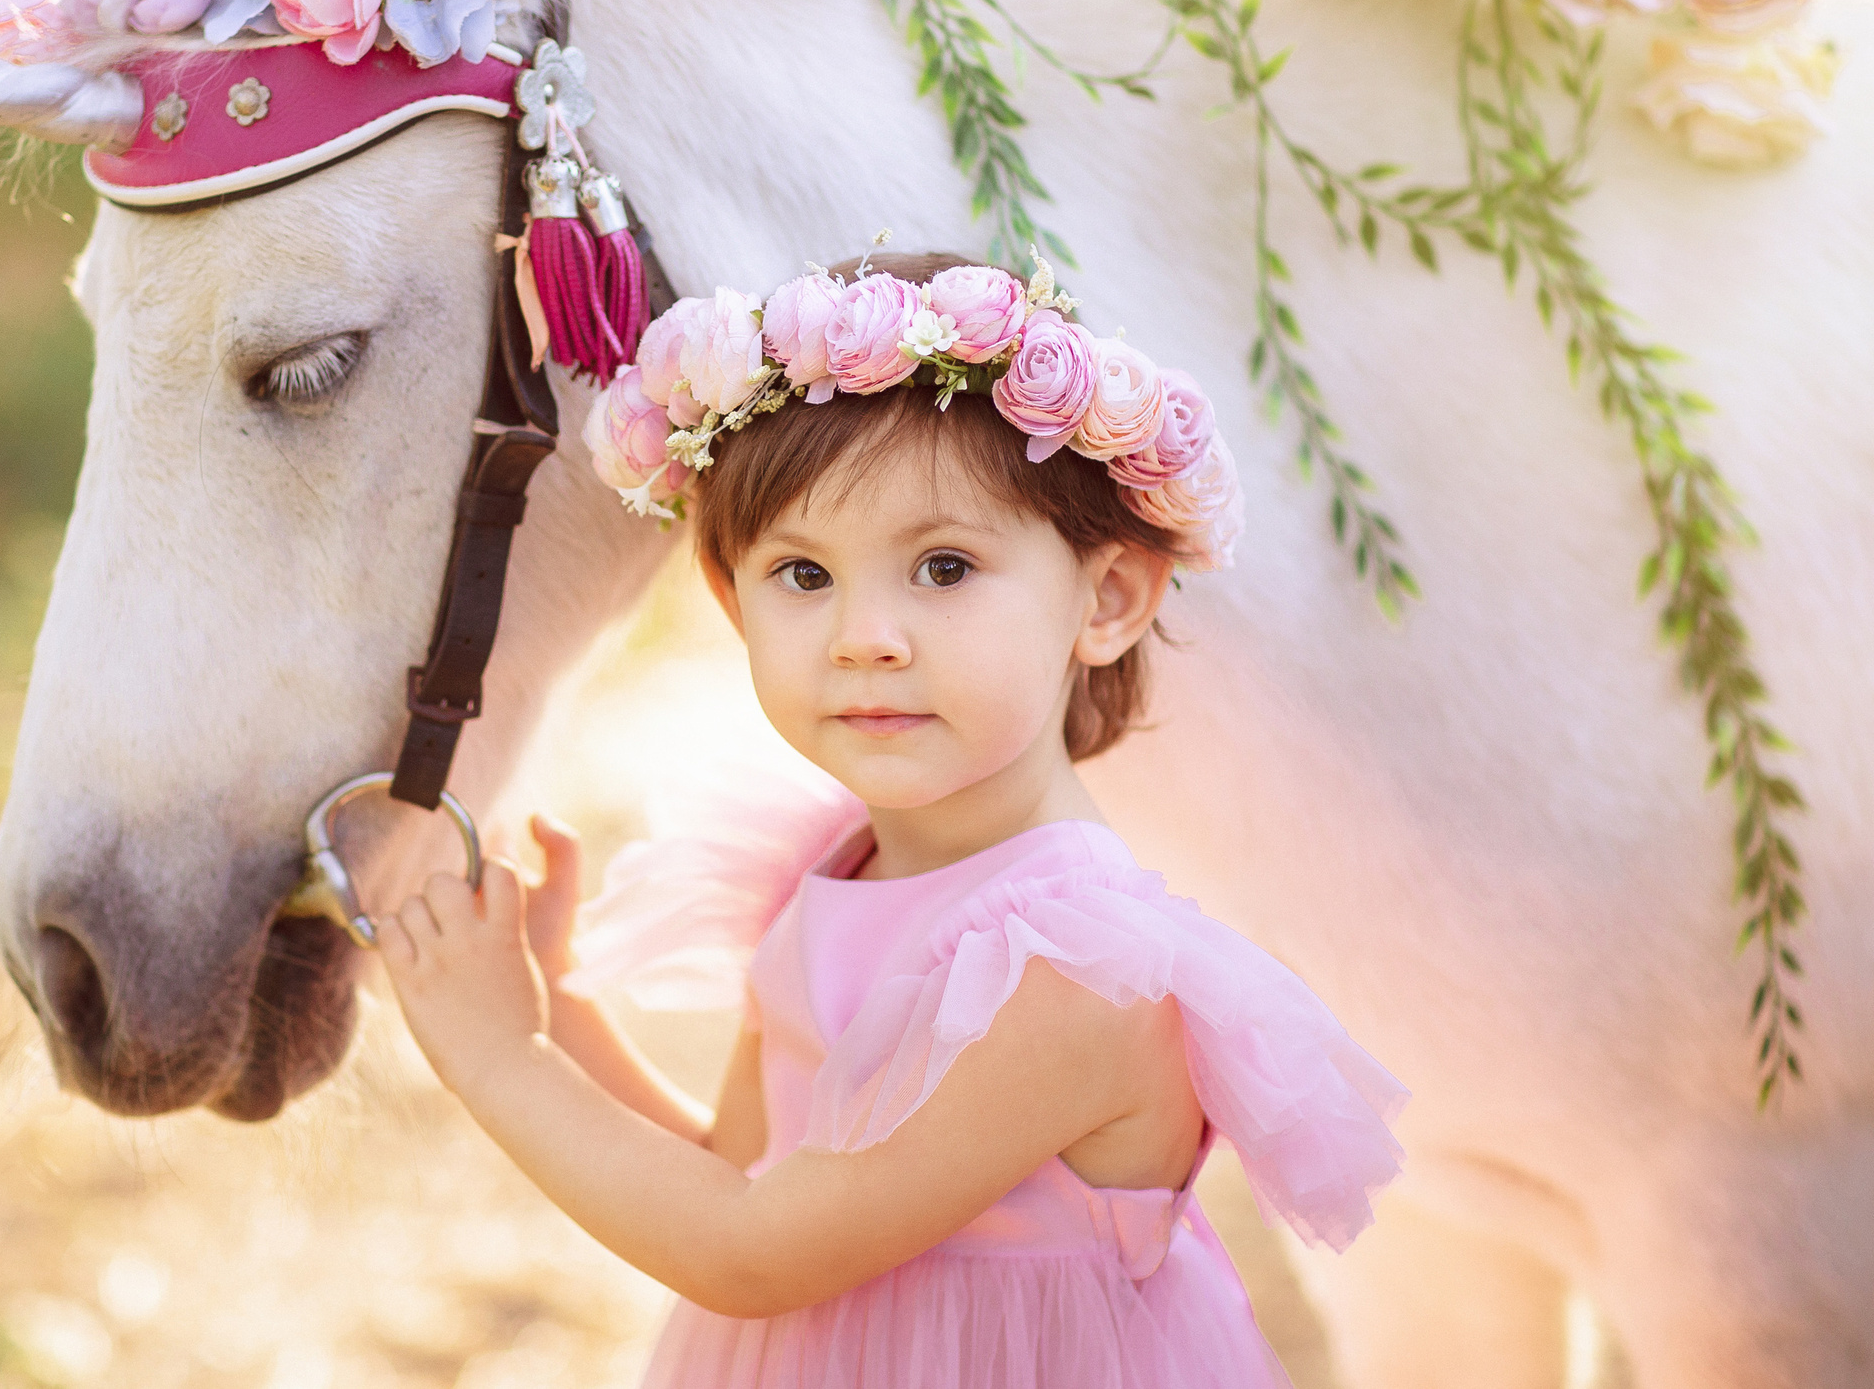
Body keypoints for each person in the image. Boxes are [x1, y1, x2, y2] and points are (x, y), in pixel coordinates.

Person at [378, 251, 1405, 1387]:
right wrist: (557, 1006)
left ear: (1104, 599)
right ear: (731, 600)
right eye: (803, 576)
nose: (866, 635)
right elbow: (741, 1174)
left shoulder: (1075, 975)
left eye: (945, 566)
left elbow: (751, 1252)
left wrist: (494, 1055)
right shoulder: (837, 866)